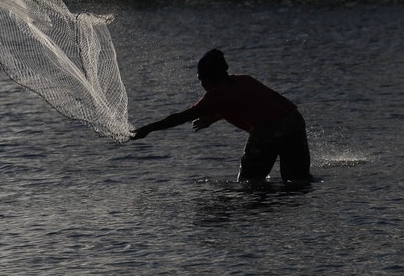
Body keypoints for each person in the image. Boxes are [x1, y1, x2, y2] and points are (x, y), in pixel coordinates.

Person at [131, 49, 312, 183]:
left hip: (267, 130)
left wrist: (148, 129)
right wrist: (216, 116)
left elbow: (180, 117)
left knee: (248, 182)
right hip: (293, 121)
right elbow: (254, 104)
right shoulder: (244, 80)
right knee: (298, 180)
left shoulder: (217, 95)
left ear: (207, 79)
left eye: (200, 79)